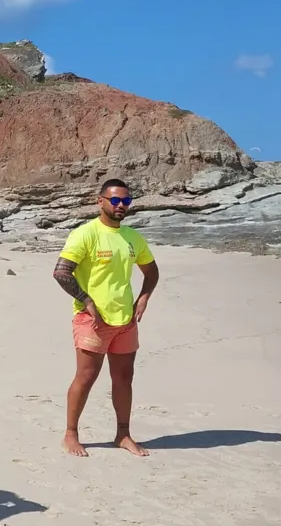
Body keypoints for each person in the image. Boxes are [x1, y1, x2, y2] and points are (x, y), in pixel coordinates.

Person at [52, 178, 160, 458]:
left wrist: (144, 297)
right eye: (115, 200)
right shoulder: (85, 234)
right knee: (87, 376)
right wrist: (86, 300)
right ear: (100, 201)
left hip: (125, 320)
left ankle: (123, 434)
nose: (121, 205)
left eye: (126, 201)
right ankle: (71, 434)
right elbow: (61, 272)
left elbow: (152, 271)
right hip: (92, 320)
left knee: (124, 378)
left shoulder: (133, 237)